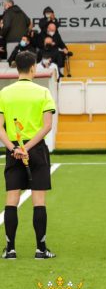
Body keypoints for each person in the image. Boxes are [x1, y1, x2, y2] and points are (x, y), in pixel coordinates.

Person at [0, 51, 57, 259]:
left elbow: (0, 128)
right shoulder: (43, 93)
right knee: (39, 199)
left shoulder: (5, 93)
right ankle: (41, 250)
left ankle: (11, 249)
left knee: (12, 198)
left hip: (14, 149)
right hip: (36, 150)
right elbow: (47, 126)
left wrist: (14, 148)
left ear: (17, 68)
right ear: (33, 67)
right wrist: (28, 147)